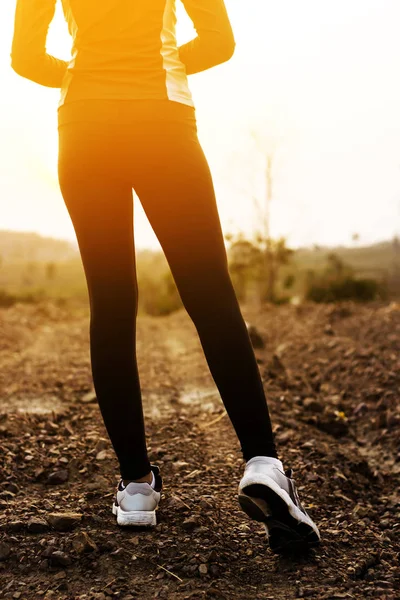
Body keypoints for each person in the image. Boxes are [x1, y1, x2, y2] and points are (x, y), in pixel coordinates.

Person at [10, 0, 320, 554]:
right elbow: (219, 41)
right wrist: (161, 63)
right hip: (163, 118)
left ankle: (136, 487)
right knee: (211, 295)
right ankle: (264, 464)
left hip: (83, 126)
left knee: (110, 304)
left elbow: (24, 56)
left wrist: (85, 74)